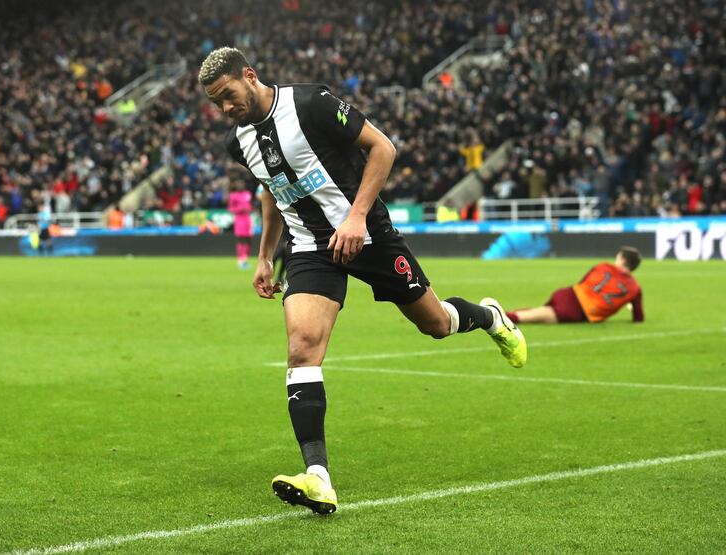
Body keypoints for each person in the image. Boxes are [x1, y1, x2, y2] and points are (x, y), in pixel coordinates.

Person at [199, 47, 527, 516]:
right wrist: (265, 256)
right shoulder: (240, 143)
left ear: (249, 76)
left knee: (436, 324)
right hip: (310, 247)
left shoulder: (310, 104)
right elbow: (271, 189)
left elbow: (383, 147)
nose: (226, 109)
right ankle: (318, 477)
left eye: (228, 96)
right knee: (302, 347)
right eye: (217, 104)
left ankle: (490, 317)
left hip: (365, 234)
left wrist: (355, 218)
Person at [506, 247, 644, 324]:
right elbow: (639, 318)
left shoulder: (604, 266)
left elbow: (583, 282)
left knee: (535, 313)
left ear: (621, 259)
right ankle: (490, 317)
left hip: (568, 294)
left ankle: (494, 315)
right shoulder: (635, 288)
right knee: (529, 317)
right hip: (577, 311)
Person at [227, 180, 256, 269]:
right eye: (239, 184)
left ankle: (245, 259)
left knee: (249, 240)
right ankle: (241, 261)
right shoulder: (232, 195)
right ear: (236, 186)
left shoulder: (248, 194)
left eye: (242, 184)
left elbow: (250, 205)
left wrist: (250, 209)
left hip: (248, 219)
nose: (241, 185)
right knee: (241, 239)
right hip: (239, 219)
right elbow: (230, 209)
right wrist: (240, 209)